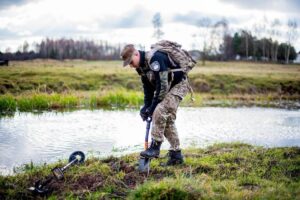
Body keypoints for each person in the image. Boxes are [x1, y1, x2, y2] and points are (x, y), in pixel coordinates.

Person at [120, 43, 190, 165]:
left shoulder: (155, 58)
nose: (131, 66)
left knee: (160, 110)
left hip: (179, 85)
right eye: (129, 64)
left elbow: (162, 86)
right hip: (168, 86)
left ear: (136, 53)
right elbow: (147, 88)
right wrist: (146, 107)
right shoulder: (141, 67)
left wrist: (152, 108)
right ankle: (176, 155)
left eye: (131, 62)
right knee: (166, 120)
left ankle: (155, 147)